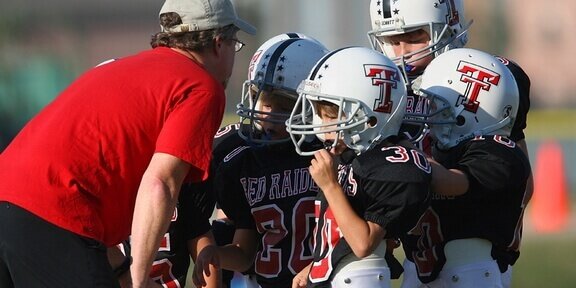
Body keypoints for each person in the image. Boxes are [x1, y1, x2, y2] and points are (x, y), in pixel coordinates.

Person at [0, 0, 255, 287]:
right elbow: (161, 184)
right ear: (219, 43)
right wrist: (138, 280)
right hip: (52, 214)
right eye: (235, 43)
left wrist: (123, 272)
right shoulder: (200, 86)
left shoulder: (121, 68)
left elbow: (80, 182)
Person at [366, 1, 532, 286]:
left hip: (475, 254)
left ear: (449, 23)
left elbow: (519, 181)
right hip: (417, 254)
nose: (403, 51)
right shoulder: (388, 88)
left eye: (415, 35)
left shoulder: (486, 77)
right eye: (392, 40)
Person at [286, 46, 432, 288]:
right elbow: (340, 231)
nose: (319, 124)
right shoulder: (349, 159)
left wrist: (331, 186)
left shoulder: (392, 168)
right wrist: (319, 265)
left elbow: (363, 244)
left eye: (330, 113)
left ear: (372, 116)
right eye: (317, 111)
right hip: (340, 275)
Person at [191, 34, 330, 288]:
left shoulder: (333, 154)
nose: (268, 115)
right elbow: (242, 246)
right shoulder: (236, 153)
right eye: (264, 100)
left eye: (284, 105)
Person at [399, 47, 532, 287]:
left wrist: (403, 150)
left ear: (465, 112)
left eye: (435, 104)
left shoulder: (500, 153)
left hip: (470, 274)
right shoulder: (444, 147)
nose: (427, 112)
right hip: (427, 267)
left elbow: (450, 183)